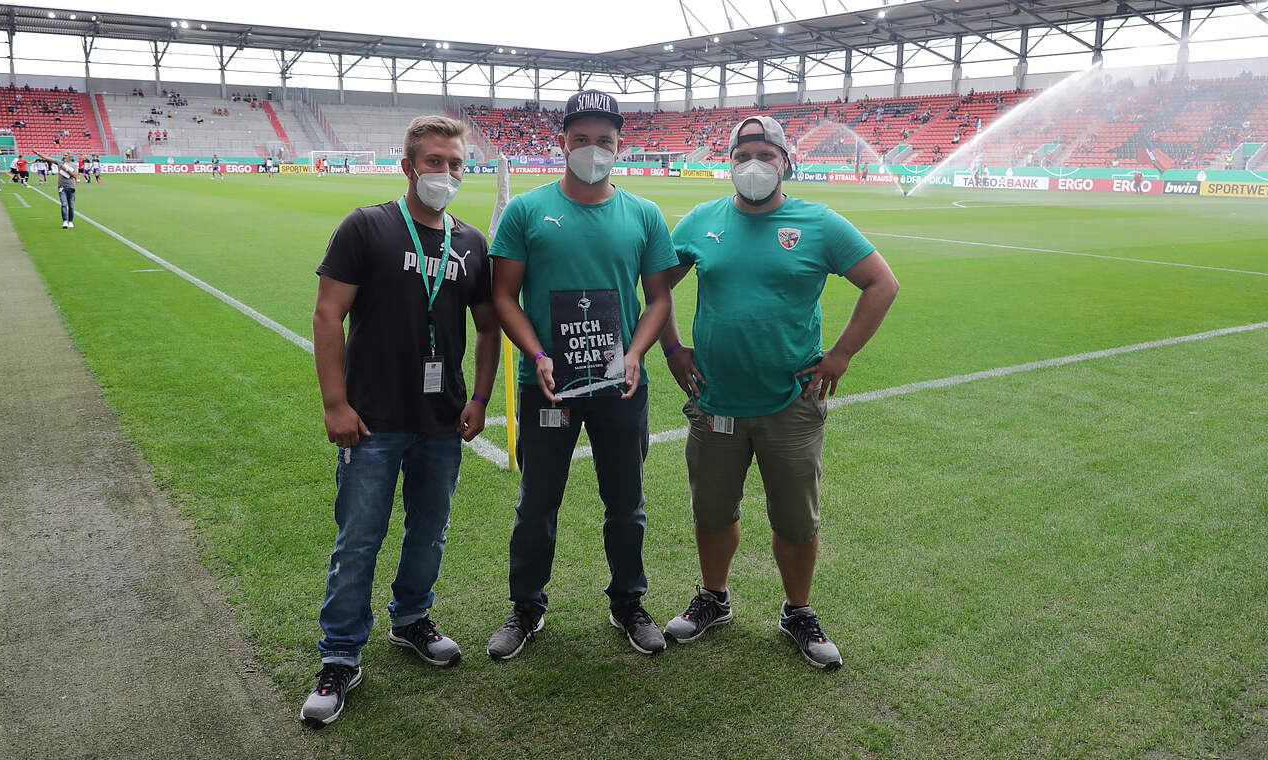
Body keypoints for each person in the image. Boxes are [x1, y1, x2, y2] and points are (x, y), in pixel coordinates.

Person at [658, 115, 899, 670]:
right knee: (713, 512)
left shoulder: (819, 223)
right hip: (716, 399)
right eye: (743, 154)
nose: (754, 164)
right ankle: (713, 599)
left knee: (795, 519)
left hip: (790, 403)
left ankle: (798, 611)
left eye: (766, 154)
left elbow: (882, 283)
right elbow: (656, 287)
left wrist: (840, 355)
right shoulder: (701, 220)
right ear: (730, 161)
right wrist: (673, 348)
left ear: (786, 162)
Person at [300, 115, 500, 727]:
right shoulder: (368, 225)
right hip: (373, 420)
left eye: (456, 163)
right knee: (359, 537)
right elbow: (328, 315)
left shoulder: (469, 243)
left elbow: (489, 326)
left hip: (442, 419)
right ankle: (339, 655)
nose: (446, 173)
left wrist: (481, 397)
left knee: (429, 530)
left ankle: (411, 619)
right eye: (434, 161)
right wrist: (336, 403)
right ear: (409, 165)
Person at [484, 90, 677, 660]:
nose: (594, 150)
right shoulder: (527, 210)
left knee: (626, 501)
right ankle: (526, 607)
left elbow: (659, 299)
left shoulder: (643, 214)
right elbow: (502, 295)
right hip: (546, 383)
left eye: (605, 141)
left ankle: (628, 603)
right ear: (562, 142)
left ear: (621, 146)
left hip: (619, 383)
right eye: (582, 139)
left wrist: (638, 351)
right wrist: (539, 356)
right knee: (538, 502)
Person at [33, 149, 80, 229]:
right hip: (62, 187)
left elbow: (75, 175)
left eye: (65, 155)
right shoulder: (60, 162)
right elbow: (48, 158)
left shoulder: (74, 165)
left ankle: (70, 221)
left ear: (70, 156)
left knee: (71, 206)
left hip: (71, 187)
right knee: (64, 204)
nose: (64, 156)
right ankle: (65, 221)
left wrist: (66, 169)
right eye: (64, 155)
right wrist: (37, 153)